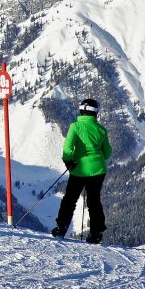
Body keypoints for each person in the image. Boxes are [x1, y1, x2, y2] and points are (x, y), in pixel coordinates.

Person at [51, 98, 112, 244]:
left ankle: (61, 228)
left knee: (70, 199)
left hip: (78, 170)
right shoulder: (101, 130)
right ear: (96, 113)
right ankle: (96, 234)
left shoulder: (75, 127)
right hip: (98, 170)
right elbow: (108, 153)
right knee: (94, 201)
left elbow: (68, 148)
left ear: (81, 110)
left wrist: (68, 161)